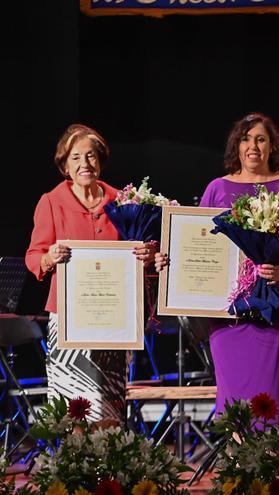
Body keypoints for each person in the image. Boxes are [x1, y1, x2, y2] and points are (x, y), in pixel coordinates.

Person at [25, 124, 156, 422]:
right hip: (69, 318)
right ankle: (76, 466)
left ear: (100, 160)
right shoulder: (51, 202)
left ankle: (109, 466)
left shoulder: (123, 201)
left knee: (108, 402)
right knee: (73, 407)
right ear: (65, 165)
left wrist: (147, 253)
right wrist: (49, 257)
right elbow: (33, 257)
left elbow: (139, 254)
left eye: (91, 156)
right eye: (76, 158)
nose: (85, 164)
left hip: (114, 318)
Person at [192, 112, 279, 425]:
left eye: (260, 139)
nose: (253, 145)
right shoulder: (216, 188)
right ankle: (237, 463)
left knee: (272, 387)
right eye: (246, 139)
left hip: (274, 301)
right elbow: (197, 243)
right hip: (227, 308)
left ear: (272, 146)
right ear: (236, 145)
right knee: (231, 389)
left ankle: (273, 461)